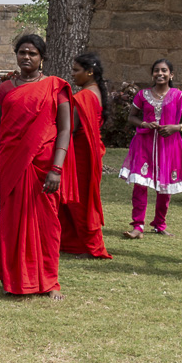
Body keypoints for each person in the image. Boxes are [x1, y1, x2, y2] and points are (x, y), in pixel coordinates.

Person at [0, 34, 75, 299]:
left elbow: (65, 129)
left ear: (42, 57)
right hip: (12, 165)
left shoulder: (55, 86)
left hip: (44, 165)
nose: (26, 57)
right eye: (22, 52)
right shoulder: (5, 88)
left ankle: (49, 282)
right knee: (12, 225)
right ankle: (16, 280)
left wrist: (56, 168)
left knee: (47, 225)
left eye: (32, 53)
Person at [118, 59, 182, 238]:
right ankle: (138, 226)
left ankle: (159, 224)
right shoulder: (143, 95)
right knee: (140, 184)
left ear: (171, 74)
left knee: (164, 185)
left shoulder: (178, 96)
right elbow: (132, 117)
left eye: (164, 70)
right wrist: (144, 123)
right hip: (144, 143)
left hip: (168, 145)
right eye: (156, 71)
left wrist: (175, 128)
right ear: (152, 74)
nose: (160, 74)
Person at [59, 52, 112, 259]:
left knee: (78, 201)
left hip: (80, 155)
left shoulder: (83, 97)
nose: (72, 74)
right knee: (80, 200)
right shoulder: (96, 92)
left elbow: (70, 128)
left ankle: (90, 246)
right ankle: (75, 243)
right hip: (90, 153)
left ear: (90, 72)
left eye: (76, 70)